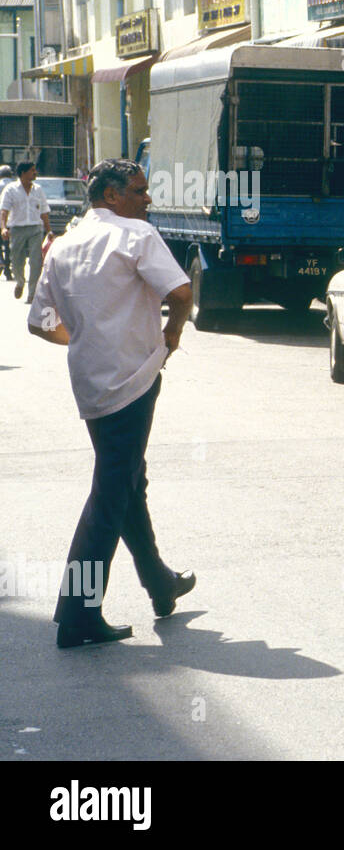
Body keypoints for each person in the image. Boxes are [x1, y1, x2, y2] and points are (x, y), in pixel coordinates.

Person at [27, 158, 197, 649]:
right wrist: (170, 334)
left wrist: (87, 338)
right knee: (110, 494)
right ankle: (77, 614)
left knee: (124, 481)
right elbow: (182, 292)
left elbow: (39, 323)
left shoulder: (63, 244)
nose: (147, 199)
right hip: (134, 381)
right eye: (139, 190)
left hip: (90, 384)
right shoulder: (136, 236)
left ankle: (159, 583)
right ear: (110, 196)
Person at [1, 161, 50, 302]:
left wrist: (49, 231)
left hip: (35, 228)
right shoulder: (11, 190)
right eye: (32, 170)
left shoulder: (38, 190)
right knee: (16, 260)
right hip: (17, 229)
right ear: (23, 173)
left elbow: (44, 212)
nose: (35, 173)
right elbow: (4, 211)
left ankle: (32, 293)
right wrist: (3, 228)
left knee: (36, 261)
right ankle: (20, 282)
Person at [0, 164, 13, 279]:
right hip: (10, 219)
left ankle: (1, 261)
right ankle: (8, 269)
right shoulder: (14, 185)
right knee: (8, 245)